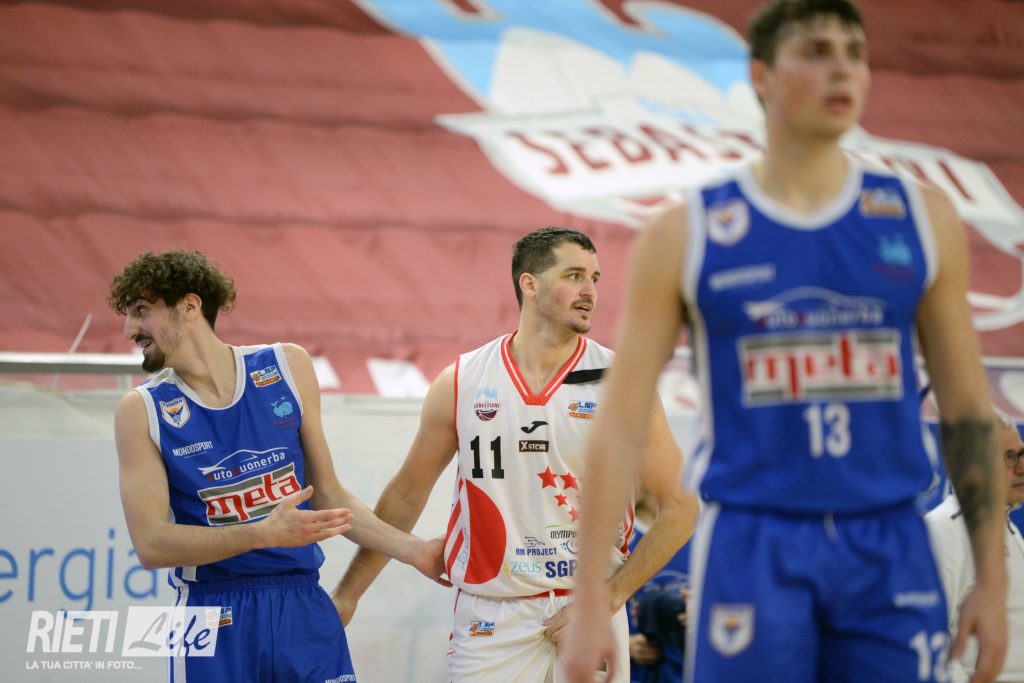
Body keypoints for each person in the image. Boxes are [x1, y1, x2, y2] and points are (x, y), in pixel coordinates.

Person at [564, 1, 1009, 682]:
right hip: (754, 538)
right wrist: (592, 599)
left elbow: (970, 413)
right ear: (762, 76)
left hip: (887, 538)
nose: (843, 69)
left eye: (855, 53)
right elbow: (620, 422)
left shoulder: (922, 217)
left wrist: (991, 577)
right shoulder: (687, 232)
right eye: (817, 52)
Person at [332, 227, 698, 682]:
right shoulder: (462, 380)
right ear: (530, 284)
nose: (590, 291)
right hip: (490, 615)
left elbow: (682, 507)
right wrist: (348, 595)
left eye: (595, 278)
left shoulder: (622, 380)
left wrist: (609, 597)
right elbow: (406, 496)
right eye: (574, 276)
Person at [108, 250, 447, 682]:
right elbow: (152, 544)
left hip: (301, 602)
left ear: (190, 305)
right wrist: (262, 533)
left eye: (141, 310)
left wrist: (416, 551)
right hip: (211, 613)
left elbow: (328, 496)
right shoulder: (141, 409)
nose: (129, 330)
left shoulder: (286, 366)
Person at [927, 414, 1024, 682]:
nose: (1022, 466)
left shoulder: (1009, 530)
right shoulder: (944, 529)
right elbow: (934, 641)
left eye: (1021, 454)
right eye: (1008, 457)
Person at [627, 484, 691, 683]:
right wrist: (626, 644)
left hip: (684, 669)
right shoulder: (612, 538)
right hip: (636, 673)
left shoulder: (695, 531)